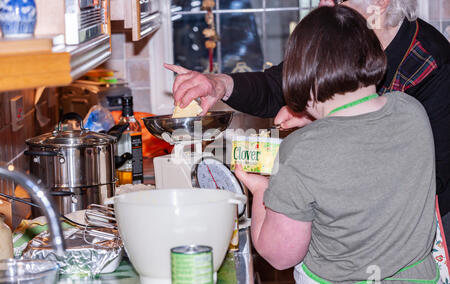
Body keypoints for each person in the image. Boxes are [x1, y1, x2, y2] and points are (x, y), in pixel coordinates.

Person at [165, 0, 450, 239]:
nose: (323, 6)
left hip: (421, 226)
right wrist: (219, 85)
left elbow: (428, 175)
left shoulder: (430, 62)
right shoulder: (340, 42)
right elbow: (278, 85)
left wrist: (324, 121)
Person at [233, 5, 444, 284]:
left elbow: (281, 256)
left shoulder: (301, 150)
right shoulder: (412, 113)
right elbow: (363, 138)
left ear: (300, 74)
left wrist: (261, 192)